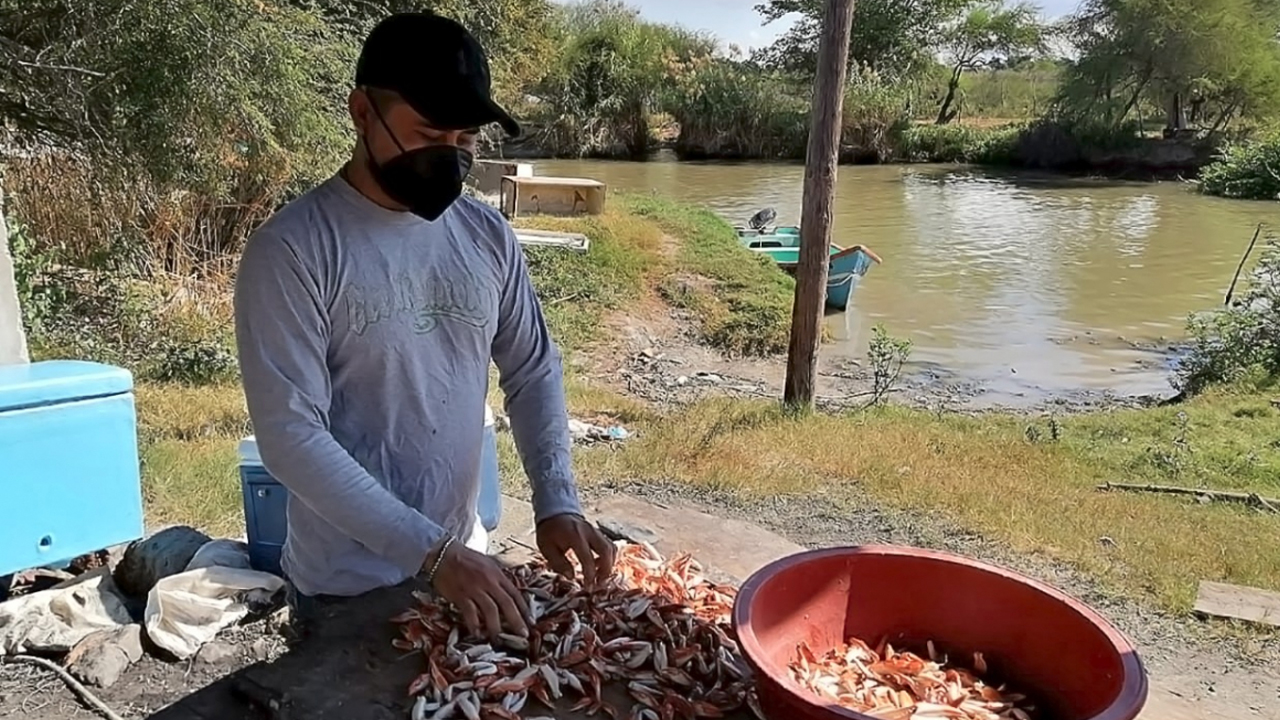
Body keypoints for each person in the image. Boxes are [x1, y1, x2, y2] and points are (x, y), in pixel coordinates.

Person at [232, 11, 615, 639]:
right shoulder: (294, 249)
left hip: (464, 561)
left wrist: (556, 499)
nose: (452, 153)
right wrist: (431, 554)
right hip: (345, 589)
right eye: (431, 130)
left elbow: (531, 369)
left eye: (466, 137)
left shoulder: (486, 234)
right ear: (362, 112)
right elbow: (290, 436)